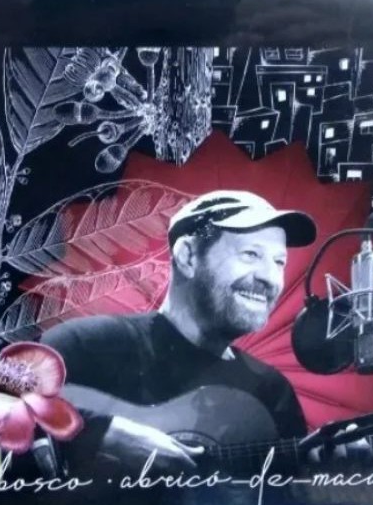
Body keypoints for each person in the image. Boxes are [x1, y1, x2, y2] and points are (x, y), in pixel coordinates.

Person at [39, 190, 317, 478]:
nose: (269, 277)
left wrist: (328, 470)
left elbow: (292, 495)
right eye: (251, 254)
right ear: (188, 256)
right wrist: (102, 434)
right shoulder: (87, 345)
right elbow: (11, 406)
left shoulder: (272, 392)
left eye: (279, 262)